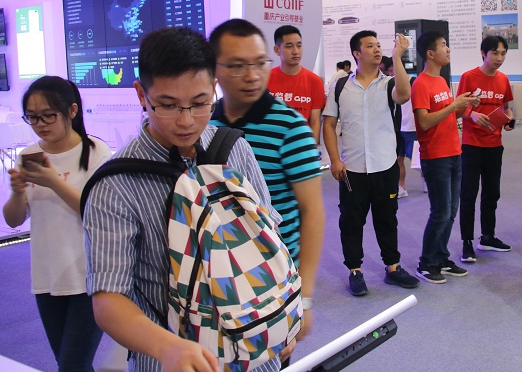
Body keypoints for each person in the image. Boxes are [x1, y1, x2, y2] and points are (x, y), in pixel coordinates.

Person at [83, 28, 292, 372]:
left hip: (255, 350)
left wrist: (284, 310)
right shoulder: (116, 185)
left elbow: (269, 237)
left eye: (199, 103)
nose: (185, 120)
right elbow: (108, 299)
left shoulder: (234, 149)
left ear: (214, 89)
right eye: (167, 105)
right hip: (171, 359)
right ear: (141, 94)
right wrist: (167, 348)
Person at [208, 19, 324, 341]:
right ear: (214, 69)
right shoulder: (205, 121)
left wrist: (305, 296)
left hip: (274, 278)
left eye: (260, 63)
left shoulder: (290, 127)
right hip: (219, 277)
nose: (252, 75)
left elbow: (313, 212)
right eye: (237, 66)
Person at [3, 76, 111, 372]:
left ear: (71, 110)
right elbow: (13, 219)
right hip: (47, 277)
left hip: (90, 277)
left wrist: (53, 181)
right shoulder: (29, 156)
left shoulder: (97, 153)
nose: (40, 124)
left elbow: (97, 212)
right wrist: (17, 192)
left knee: (72, 364)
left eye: (48, 115)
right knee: (70, 364)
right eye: (32, 117)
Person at [322, 30, 419, 296]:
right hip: (352, 169)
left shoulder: (389, 84)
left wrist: (398, 56)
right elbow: (329, 125)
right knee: (351, 222)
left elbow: (404, 94)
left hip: (385, 165)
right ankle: (355, 270)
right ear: (357, 53)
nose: (377, 49)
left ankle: (393, 267)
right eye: (369, 46)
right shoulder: (341, 87)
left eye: (378, 45)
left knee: (387, 219)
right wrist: (334, 160)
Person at [412, 31, 480, 284]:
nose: (448, 49)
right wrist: (453, 106)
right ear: (430, 54)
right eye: (443, 45)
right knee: (440, 212)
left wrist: (466, 106)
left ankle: (441, 257)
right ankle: (426, 262)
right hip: (436, 156)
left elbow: (448, 116)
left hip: (454, 152)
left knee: (451, 211)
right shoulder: (421, 84)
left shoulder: (441, 81)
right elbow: (424, 122)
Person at [458, 36, 514, 264]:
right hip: (472, 145)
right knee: (468, 194)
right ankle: (467, 242)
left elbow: (507, 108)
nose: (499, 58)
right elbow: (458, 109)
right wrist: (472, 114)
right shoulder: (469, 77)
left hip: (494, 145)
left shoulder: (503, 79)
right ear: (483, 53)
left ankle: (488, 236)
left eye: (503, 53)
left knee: (492, 193)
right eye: (495, 53)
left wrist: (508, 119)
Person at [268, 25, 326, 144]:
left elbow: (315, 122)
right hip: (271, 144)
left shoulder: (314, 81)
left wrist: (311, 149)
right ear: (277, 50)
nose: (296, 51)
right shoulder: (265, 79)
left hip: (301, 145)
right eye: (289, 46)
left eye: (299, 46)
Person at [378, 55, 409, 198]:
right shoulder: (387, 85)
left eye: (393, 70)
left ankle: (423, 181)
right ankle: (400, 186)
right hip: (397, 128)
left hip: (410, 127)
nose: (391, 74)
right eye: (389, 71)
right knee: (398, 159)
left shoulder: (409, 83)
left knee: (418, 160)